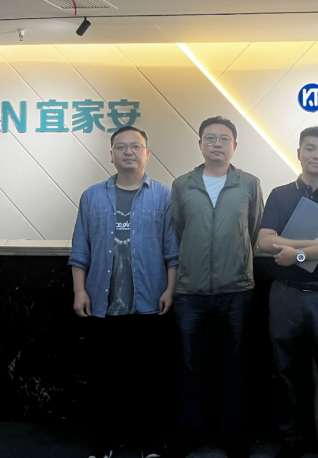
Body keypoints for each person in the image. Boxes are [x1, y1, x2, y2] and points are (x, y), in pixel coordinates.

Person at [69, 126, 179, 458]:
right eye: (121, 146)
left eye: (136, 146)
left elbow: (172, 251)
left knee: (151, 378)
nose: (128, 152)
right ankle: (108, 440)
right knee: (107, 379)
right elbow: (80, 250)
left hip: (150, 302)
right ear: (111, 154)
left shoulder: (164, 196)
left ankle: (151, 441)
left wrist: (170, 289)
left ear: (147, 154)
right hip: (103, 304)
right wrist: (79, 292)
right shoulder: (91, 196)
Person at [257, 126, 318, 458]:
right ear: (299, 152)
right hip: (285, 293)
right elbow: (265, 241)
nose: (317, 155)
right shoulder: (280, 195)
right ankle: (292, 438)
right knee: (285, 368)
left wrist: (296, 254)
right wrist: (312, 245)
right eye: (310, 148)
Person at [169, 116, 264, 458]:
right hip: (190, 291)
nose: (217, 144)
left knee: (235, 364)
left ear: (234, 146)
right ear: (200, 144)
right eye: (210, 138)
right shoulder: (183, 185)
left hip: (236, 288)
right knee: (189, 365)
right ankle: (190, 431)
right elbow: (179, 229)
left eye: (224, 139)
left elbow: (254, 230)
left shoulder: (249, 183)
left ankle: (233, 434)